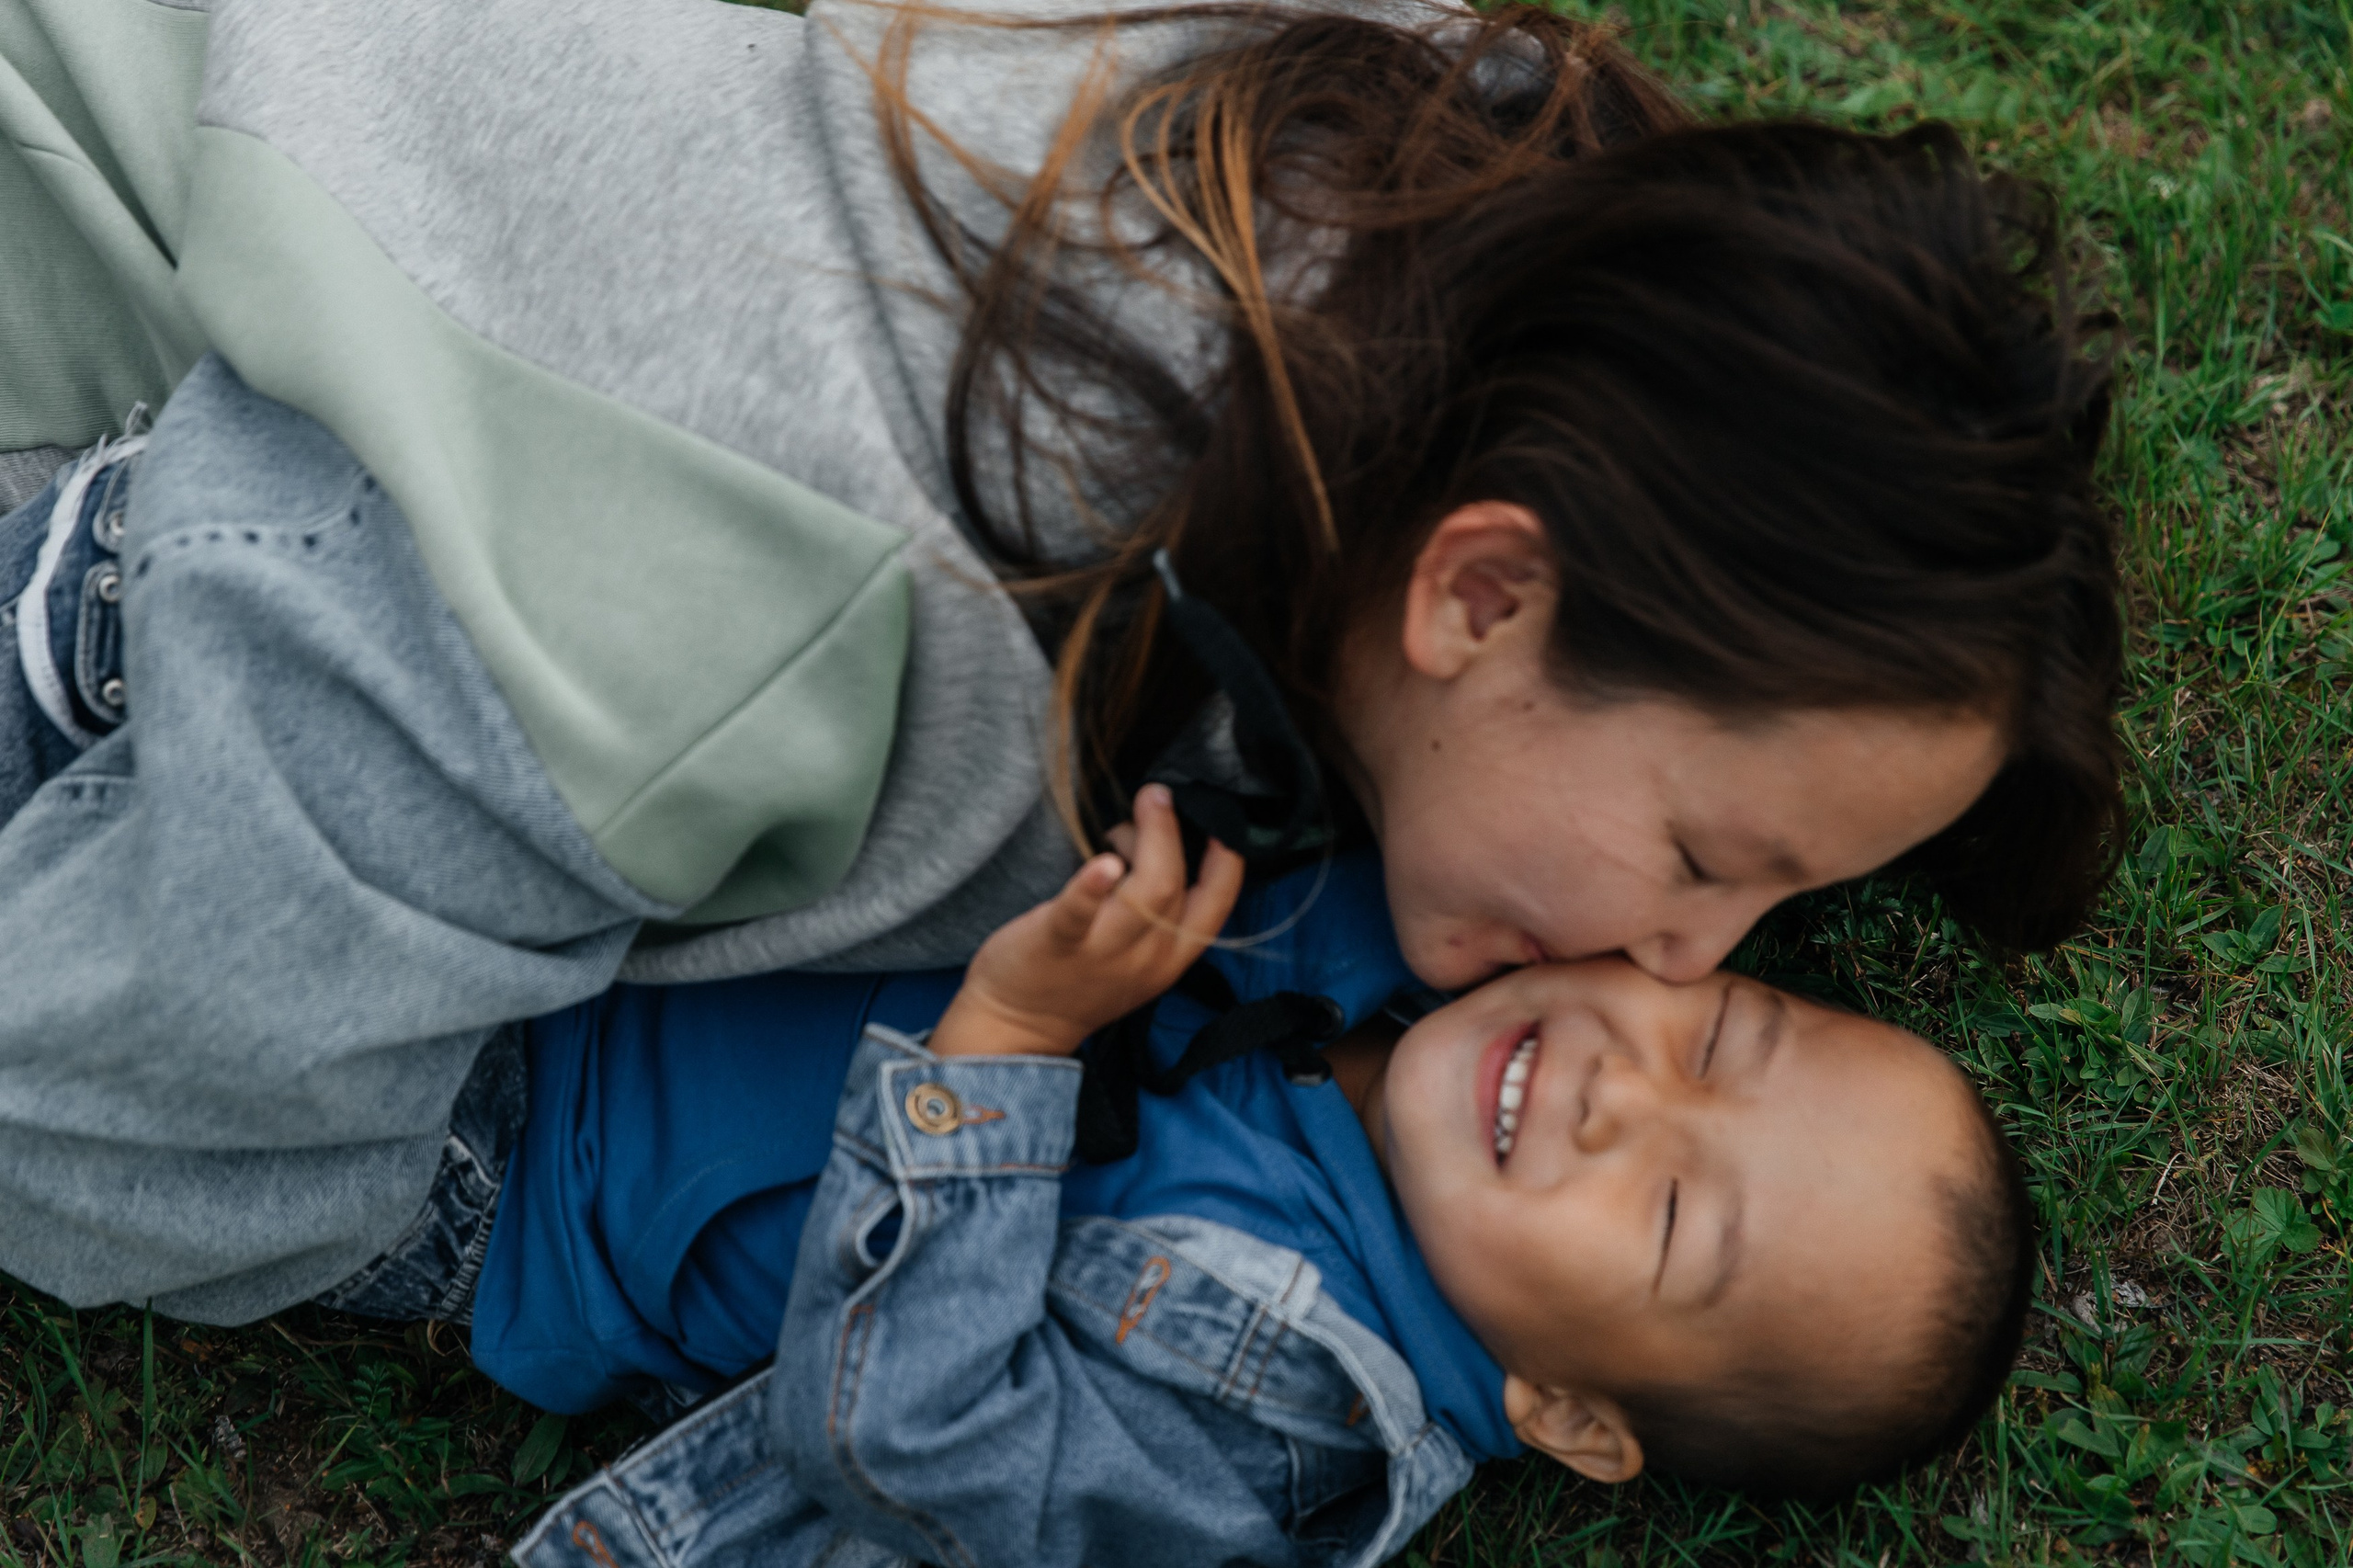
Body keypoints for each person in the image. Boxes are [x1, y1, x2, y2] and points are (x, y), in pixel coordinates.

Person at [0, 0, 2115, 1327]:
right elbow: (98, 1112)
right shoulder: (795, 630)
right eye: (1706, 854)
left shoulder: (1411, 117)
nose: (1684, 963)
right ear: (1482, 594)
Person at [487, 788, 2029, 1568]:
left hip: (519, 1146)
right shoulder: (1459, 921)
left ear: (1567, 1412)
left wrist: (1012, 1042)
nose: (1623, 1088)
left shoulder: (1262, 1432)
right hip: (679, 857)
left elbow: (906, 1430)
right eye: (1725, 1036)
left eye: (1677, 1215)